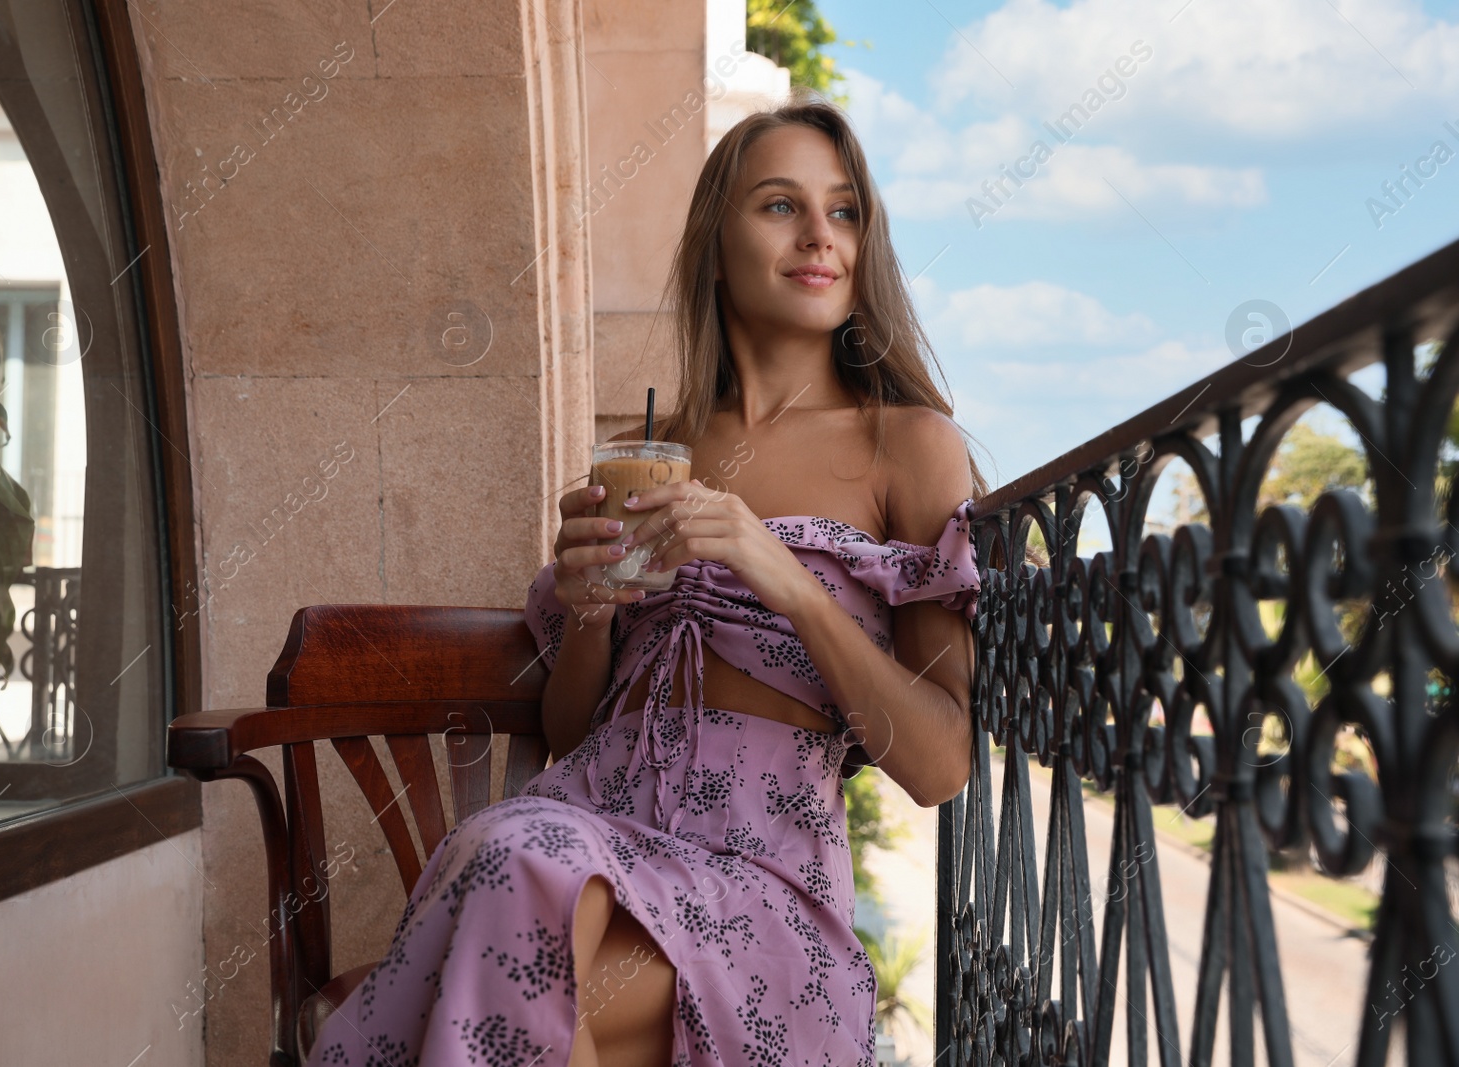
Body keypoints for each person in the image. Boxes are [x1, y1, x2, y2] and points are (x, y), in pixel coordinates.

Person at [306, 88, 987, 1067]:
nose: (817, 235)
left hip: (759, 883)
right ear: (716, 237)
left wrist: (780, 573)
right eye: (779, 205)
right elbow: (576, 729)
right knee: (519, 894)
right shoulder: (641, 455)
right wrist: (586, 610)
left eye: (842, 210)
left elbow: (937, 763)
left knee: (507, 891)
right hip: (591, 828)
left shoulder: (905, 446)